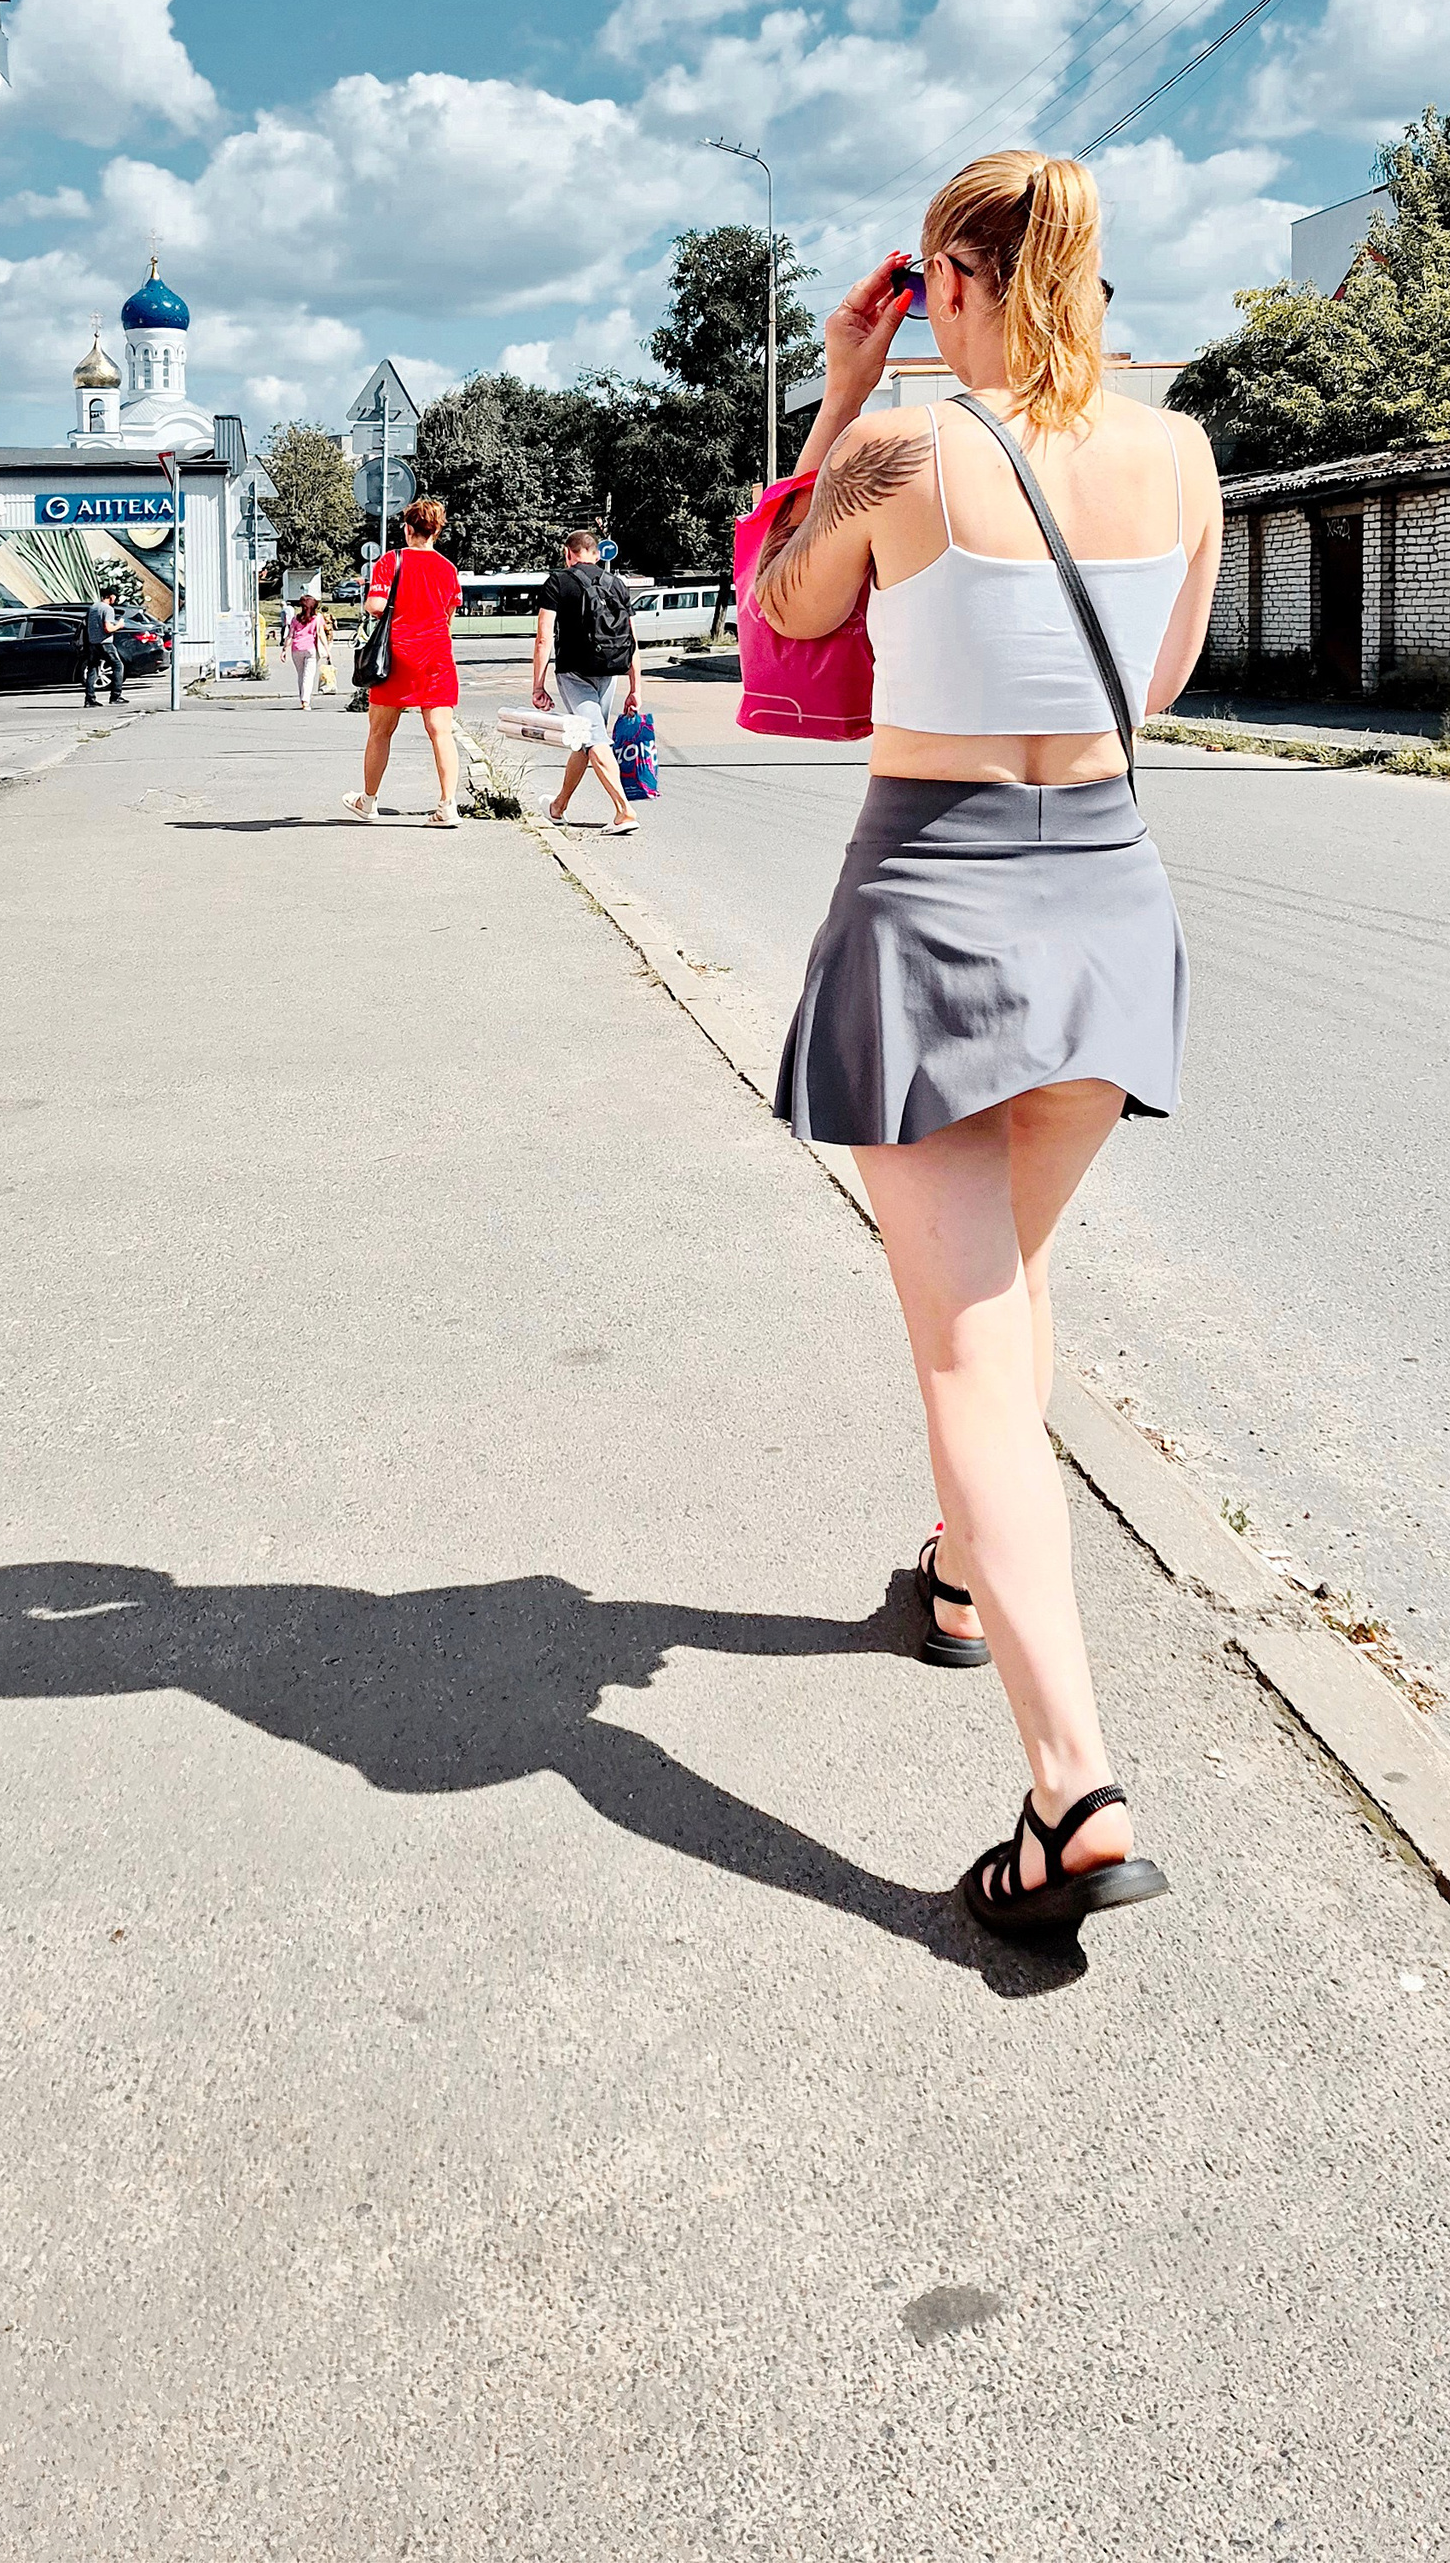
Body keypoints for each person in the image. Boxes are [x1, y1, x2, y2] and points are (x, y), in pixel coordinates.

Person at [751, 151, 1223, 1944]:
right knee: (1009, 1286)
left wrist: (842, 390)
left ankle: (1073, 1787)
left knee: (965, 1352)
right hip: (1106, 898)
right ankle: (959, 1577)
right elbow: (1155, 681)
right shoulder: (1182, 452)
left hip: (935, 902)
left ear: (947, 281)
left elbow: (786, 606)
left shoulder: (901, 451)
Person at [347, 499, 463, 827]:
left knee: (380, 731)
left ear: (408, 528)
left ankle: (368, 801)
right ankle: (447, 806)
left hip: (397, 655)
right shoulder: (448, 569)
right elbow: (448, 617)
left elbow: (375, 605)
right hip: (437, 656)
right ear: (436, 531)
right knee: (441, 732)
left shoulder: (391, 561)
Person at [530, 524, 643, 833]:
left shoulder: (558, 581)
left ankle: (624, 811)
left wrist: (538, 685)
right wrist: (636, 688)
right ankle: (558, 807)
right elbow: (632, 640)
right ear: (596, 554)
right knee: (584, 740)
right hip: (611, 671)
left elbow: (543, 638)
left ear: (569, 554)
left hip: (574, 673)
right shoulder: (617, 583)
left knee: (594, 739)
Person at [81, 591, 123, 707]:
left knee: (92, 668)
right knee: (118, 665)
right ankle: (115, 696)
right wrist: (119, 625)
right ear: (111, 596)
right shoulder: (108, 609)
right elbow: (108, 628)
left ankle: (89, 698)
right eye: (115, 596)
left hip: (92, 643)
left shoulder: (93, 608)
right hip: (105, 643)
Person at [288, 589, 323, 712]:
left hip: (296, 649)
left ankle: (303, 699)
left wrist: (284, 650)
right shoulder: (317, 618)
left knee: (301, 675)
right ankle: (306, 701)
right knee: (308, 676)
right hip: (310, 649)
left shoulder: (295, 619)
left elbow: (290, 635)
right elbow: (320, 634)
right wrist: (327, 651)